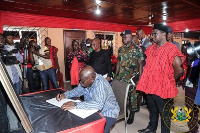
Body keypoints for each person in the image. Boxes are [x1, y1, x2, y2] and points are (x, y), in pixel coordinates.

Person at [136, 23, 185, 133]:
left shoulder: (171, 48)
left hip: (163, 88)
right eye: (152, 34)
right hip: (150, 86)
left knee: (164, 113)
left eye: (155, 34)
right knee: (152, 109)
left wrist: (169, 80)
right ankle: (151, 128)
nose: (152, 36)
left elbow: (179, 69)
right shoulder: (152, 48)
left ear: (163, 34)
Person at [56, 66, 119, 133]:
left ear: (91, 79)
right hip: (94, 110)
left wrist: (75, 105)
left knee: (98, 130)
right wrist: (65, 95)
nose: (81, 83)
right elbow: (78, 90)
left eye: (82, 81)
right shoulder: (86, 80)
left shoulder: (101, 84)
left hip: (108, 112)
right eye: (80, 80)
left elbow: (98, 105)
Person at [115, 30, 144, 124]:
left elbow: (140, 64)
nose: (123, 39)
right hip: (122, 78)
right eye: (122, 37)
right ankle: (125, 112)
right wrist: (115, 76)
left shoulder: (137, 49)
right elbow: (118, 63)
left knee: (133, 97)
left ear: (131, 38)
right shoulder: (121, 49)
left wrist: (140, 79)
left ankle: (132, 114)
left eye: (125, 37)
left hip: (132, 78)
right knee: (124, 96)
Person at [136, 28, 152, 106]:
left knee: (147, 84)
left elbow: (149, 55)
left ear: (142, 33)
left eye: (138, 34)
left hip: (146, 66)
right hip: (141, 65)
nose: (137, 36)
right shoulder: (140, 43)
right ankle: (145, 100)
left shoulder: (148, 43)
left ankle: (148, 101)